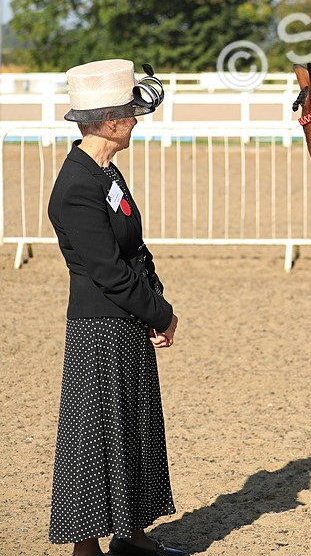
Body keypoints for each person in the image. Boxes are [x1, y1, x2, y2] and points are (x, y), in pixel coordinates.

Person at [47, 59, 185, 556]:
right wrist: (160, 313)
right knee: (94, 439)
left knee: (133, 427)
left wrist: (155, 302)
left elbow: (134, 248)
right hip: (99, 327)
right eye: (129, 111)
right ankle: (86, 547)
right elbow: (107, 270)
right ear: (107, 121)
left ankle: (131, 536)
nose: (135, 118)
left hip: (126, 320)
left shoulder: (105, 171)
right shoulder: (78, 186)